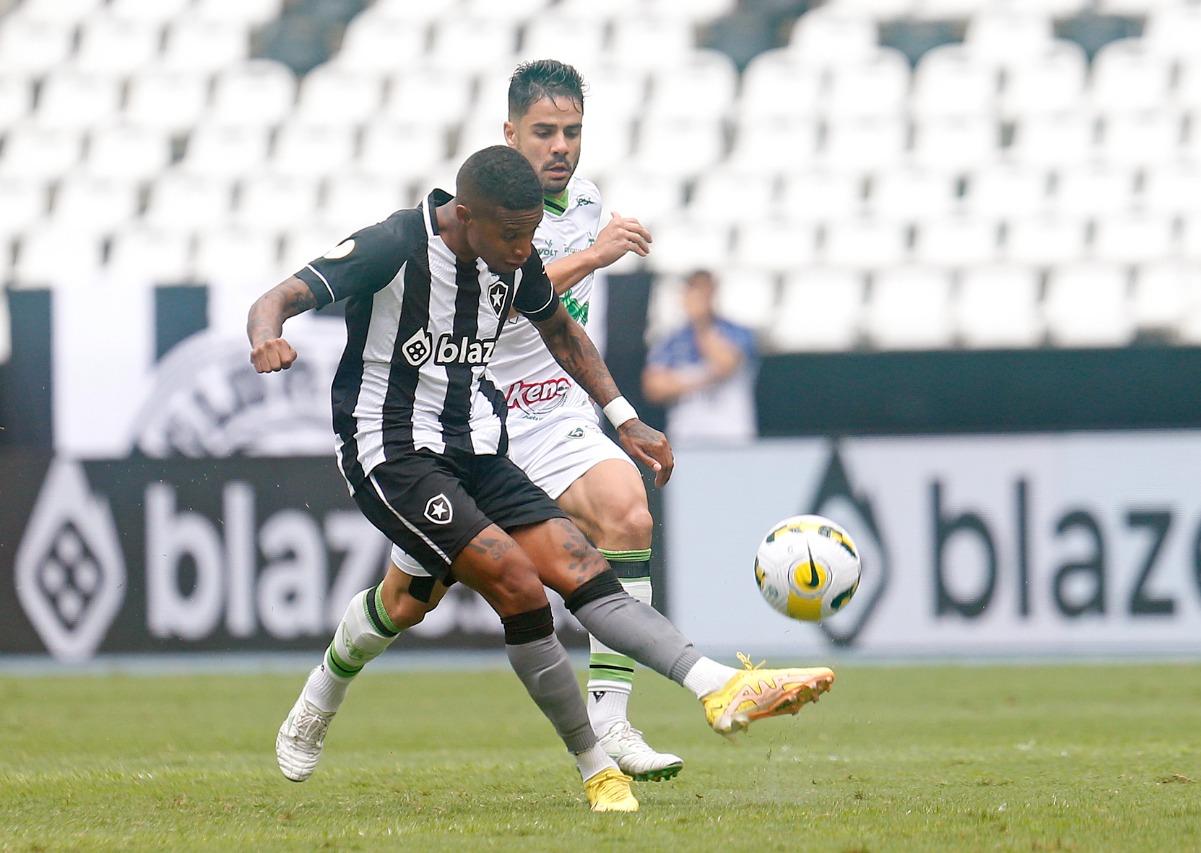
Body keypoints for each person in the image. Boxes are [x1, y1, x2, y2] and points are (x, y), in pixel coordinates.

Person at [249, 144, 835, 813]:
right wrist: (268, 336)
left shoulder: (509, 253)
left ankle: (718, 684)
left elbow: (561, 330)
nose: (525, 249)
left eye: (531, 235)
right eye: (511, 235)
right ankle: (595, 767)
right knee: (517, 581)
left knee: (542, 573)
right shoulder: (393, 244)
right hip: (393, 453)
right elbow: (281, 296)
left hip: (475, 446)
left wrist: (625, 418)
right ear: (465, 216)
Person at [274, 59, 683, 785]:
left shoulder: (587, 202)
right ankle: (323, 689)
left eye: (573, 132)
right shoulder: (473, 213)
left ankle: (611, 721)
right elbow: (509, 291)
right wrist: (592, 256)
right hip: (467, 419)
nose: (561, 147)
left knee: (628, 515)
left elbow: (556, 324)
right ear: (509, 133)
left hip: (549, 410)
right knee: (406, 603)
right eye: (545, 131)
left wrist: (621, 414)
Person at [642, 270, 759, 445]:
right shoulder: (671, 339)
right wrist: (704, 378)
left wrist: (702, 324)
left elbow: (725, 365)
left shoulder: (738, 331)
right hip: (686, 436)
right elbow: (654, 388)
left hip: (732, 435)